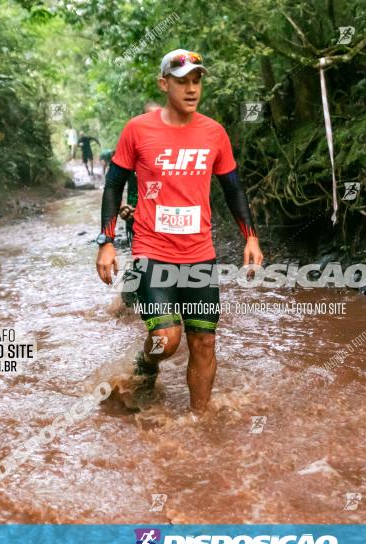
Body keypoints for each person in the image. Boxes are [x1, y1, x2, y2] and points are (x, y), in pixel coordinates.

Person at [95, 49, 263, 414]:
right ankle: (147, 364)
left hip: (200, 255)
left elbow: (233, 188)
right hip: (152, 252)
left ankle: (200, 421)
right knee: (166, 339)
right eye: (182, 81)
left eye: (196, 81)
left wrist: (250, 236)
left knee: (203, 342)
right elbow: (113, 185)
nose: (191, 89)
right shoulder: (138, 130)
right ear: (163, 83)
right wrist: (106, 241)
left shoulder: (214, 133)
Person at [124, 102, 162, 247]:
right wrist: (124, 207)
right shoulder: (132, 144)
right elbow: (116, 183)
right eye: (150, 116)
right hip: (136, 210)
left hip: (164, 213)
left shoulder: (173, 145)